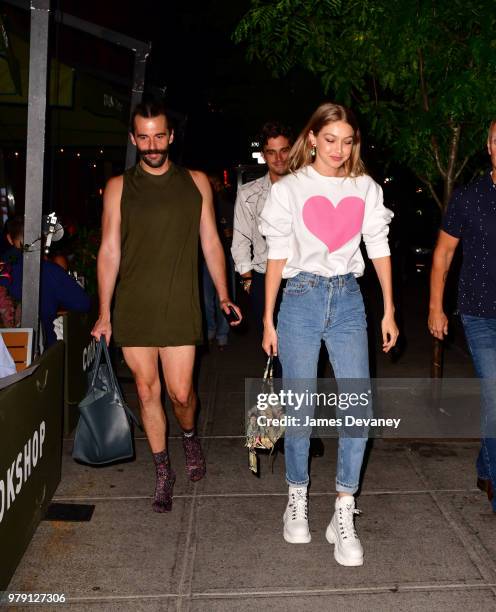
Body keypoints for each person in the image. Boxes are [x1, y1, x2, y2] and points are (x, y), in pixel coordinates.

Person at [260, 102, 398, 565]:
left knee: (358, 407)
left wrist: (390, 309)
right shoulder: (292, 189)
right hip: (299, 297)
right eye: (331, 139)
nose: (339, 149)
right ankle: (296, 496)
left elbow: (378, 247)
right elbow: (277, 255)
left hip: (349, 299)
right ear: (313, 137)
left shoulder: (366, 188)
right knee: (299, 409)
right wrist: (266, 318)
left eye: (348, 140)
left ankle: (343, 508)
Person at [91, 99, 241, 513]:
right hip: (135, 304)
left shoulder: (195, 182)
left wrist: (224, 294)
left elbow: (211, 241)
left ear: (171, 136)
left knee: (180, 393)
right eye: (144, 137)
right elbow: (108, 250)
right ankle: (163, 470)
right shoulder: (119, 187)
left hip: (180, 303)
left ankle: (190, 437)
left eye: (159, 136)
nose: (152, 144)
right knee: (145, 389)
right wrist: (105, 311)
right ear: (133, 138)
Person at [429, 119, 496, 512]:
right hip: (480, 315)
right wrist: (436, 307)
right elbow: (443, 255)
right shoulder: (469, 197)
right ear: (488, 147)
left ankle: (486, 465)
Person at [231, 121, 292, 328]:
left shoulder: (307, 188)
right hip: (263, 277)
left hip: (302, 278)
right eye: (272, 152)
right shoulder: (249, 193)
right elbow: (240, 239)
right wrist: (248, 280)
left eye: (284, 150)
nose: (279, 158)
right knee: (273, 348)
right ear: (264, 155)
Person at [0, 216, 91, 346]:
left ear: (9, 239)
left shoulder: (3, 270)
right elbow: (83, 303)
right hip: (40, 354)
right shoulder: (48, 270)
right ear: (41, 239)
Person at [202, 172, 234, 349]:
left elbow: (236, 232)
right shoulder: (200, 206)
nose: (212, 188)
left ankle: (222, 333)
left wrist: (227, 233)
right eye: (209, 184)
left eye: (214, 184)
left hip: (226, 256)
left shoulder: (226, 206)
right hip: (204, 259)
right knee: (207, 298)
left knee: (224, 297)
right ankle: (211, 329)